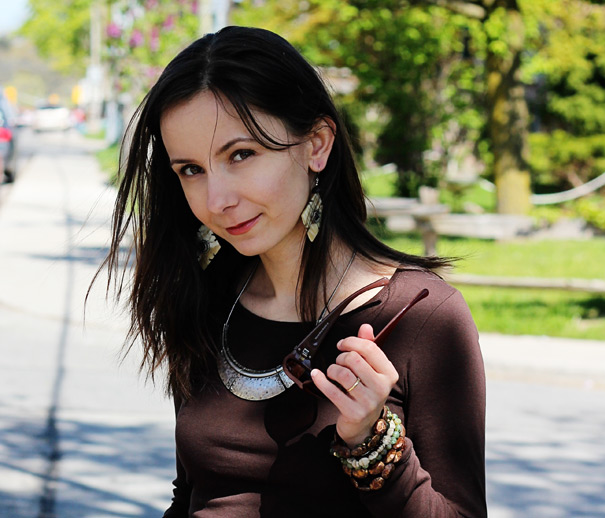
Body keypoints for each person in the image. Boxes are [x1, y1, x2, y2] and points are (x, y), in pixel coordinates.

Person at [101, 26, 486, 518]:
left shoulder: (421, 317)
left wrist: (373, 444)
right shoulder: (207, 296)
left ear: (317, 145)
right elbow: (191, 494)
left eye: (241, 155)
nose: (216, 200)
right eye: (191, 170)